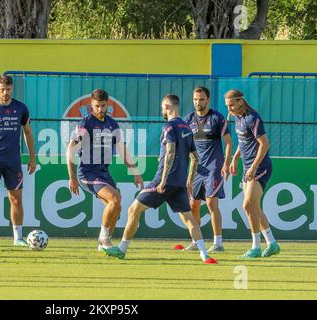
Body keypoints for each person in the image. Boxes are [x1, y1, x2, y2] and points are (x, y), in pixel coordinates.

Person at [103, 94, 218, 264]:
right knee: (189, 218)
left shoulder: (169, 127)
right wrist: (188, 182)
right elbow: (195, 158)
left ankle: (122, 248)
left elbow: (170, 152)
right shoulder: (187, 128)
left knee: (133, 210)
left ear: (167, 106)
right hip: (179, 183)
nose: (161, 111)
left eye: (162, 107)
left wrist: (163, 181)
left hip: (164, 181)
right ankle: (204, 254)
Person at [66, 89, 143, 251]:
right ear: (91, 106)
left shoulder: (112, 124)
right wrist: (71, 177)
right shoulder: (85, 124)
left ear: (108, 104)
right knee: (115, 198)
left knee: (117, 207)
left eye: (103, 106)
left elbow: (122, 150)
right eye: (96, 106)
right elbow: (71, 150)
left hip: (103, 172)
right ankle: (104, 237)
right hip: (87, 173)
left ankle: (103, 244)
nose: (100, 109)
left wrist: (135, 172)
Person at [0, 75, 36, 247]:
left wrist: (32, 157)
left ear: (12, 89)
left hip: (13, 161)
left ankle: (18, 238)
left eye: (8, 89)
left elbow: (28, 133)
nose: (5, 93)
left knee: (16, 199)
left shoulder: (21, 108)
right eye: (2, 89)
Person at [225, 89, 280, 258]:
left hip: (260, 166)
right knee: (253, 207)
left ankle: (257, 247)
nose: (230, 108)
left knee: (248, 205)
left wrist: (254, 166)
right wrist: (235, 159)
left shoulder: (252, 118)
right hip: (248, 166)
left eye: (232, 104)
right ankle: (271, 244)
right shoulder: (237, 118)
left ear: (241, 101)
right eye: (228, 105)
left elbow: (264, 144)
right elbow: (244, 142)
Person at [182, 86, 232, 252]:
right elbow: (184, 145)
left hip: (214, 167)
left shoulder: (217, 118)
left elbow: (229, 143)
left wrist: (226, 163)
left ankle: (218, 243)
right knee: (193, 205)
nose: (198, 102)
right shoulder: (188, 119)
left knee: (211, 203)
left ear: (208, 100)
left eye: (201, 99)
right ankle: (197, 242)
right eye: (195, 99)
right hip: (197, 168)